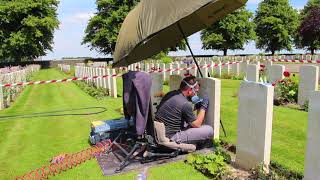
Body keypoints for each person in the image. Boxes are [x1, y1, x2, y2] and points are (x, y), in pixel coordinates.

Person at [154, 75, 213, 146]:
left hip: (158, 132)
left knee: (188, 124)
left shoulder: (171, 94)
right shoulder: (185, 104)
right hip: (171, 137)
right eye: (196, 91)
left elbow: (178, 110)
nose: (196, 94)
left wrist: (194, 107)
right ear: (189, 90)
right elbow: (197, 124)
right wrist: (203, 107)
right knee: (209, 129)